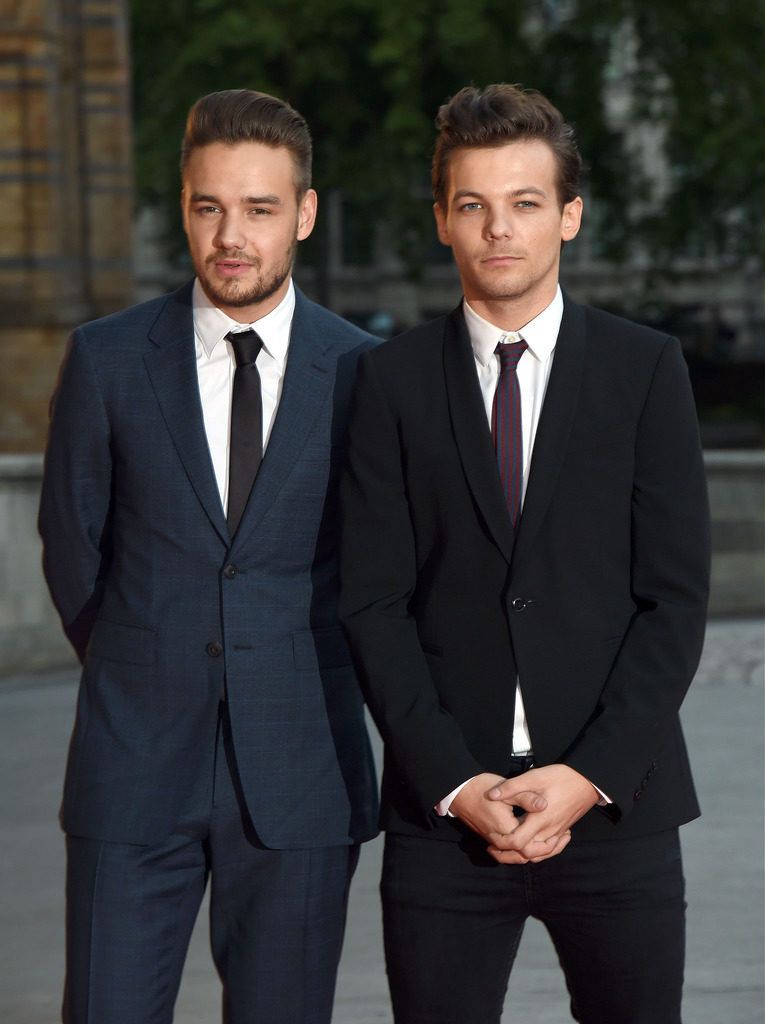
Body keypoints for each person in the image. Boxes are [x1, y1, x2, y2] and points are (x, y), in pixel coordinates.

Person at [339, 83, 710, 1024]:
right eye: (473, 205)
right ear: (441, 222)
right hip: (444, 821)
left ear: (569, 217)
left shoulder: (644, 369)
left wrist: (588, 775)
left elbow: (673, 600)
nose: (498, 229)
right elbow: (371, 603)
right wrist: (455, 784)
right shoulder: (388, 382)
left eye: (525, 203)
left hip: (617, 806)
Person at [39, 88, 379, 1024]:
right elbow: (73, 547)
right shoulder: (106, 361)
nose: (231, 235)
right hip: (132, 765)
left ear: (303, 215)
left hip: (303, 772)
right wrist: (141, 662)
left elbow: (380, 573)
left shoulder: (362, 374)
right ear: (185, 205)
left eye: (260, 209)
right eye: (208, 207)